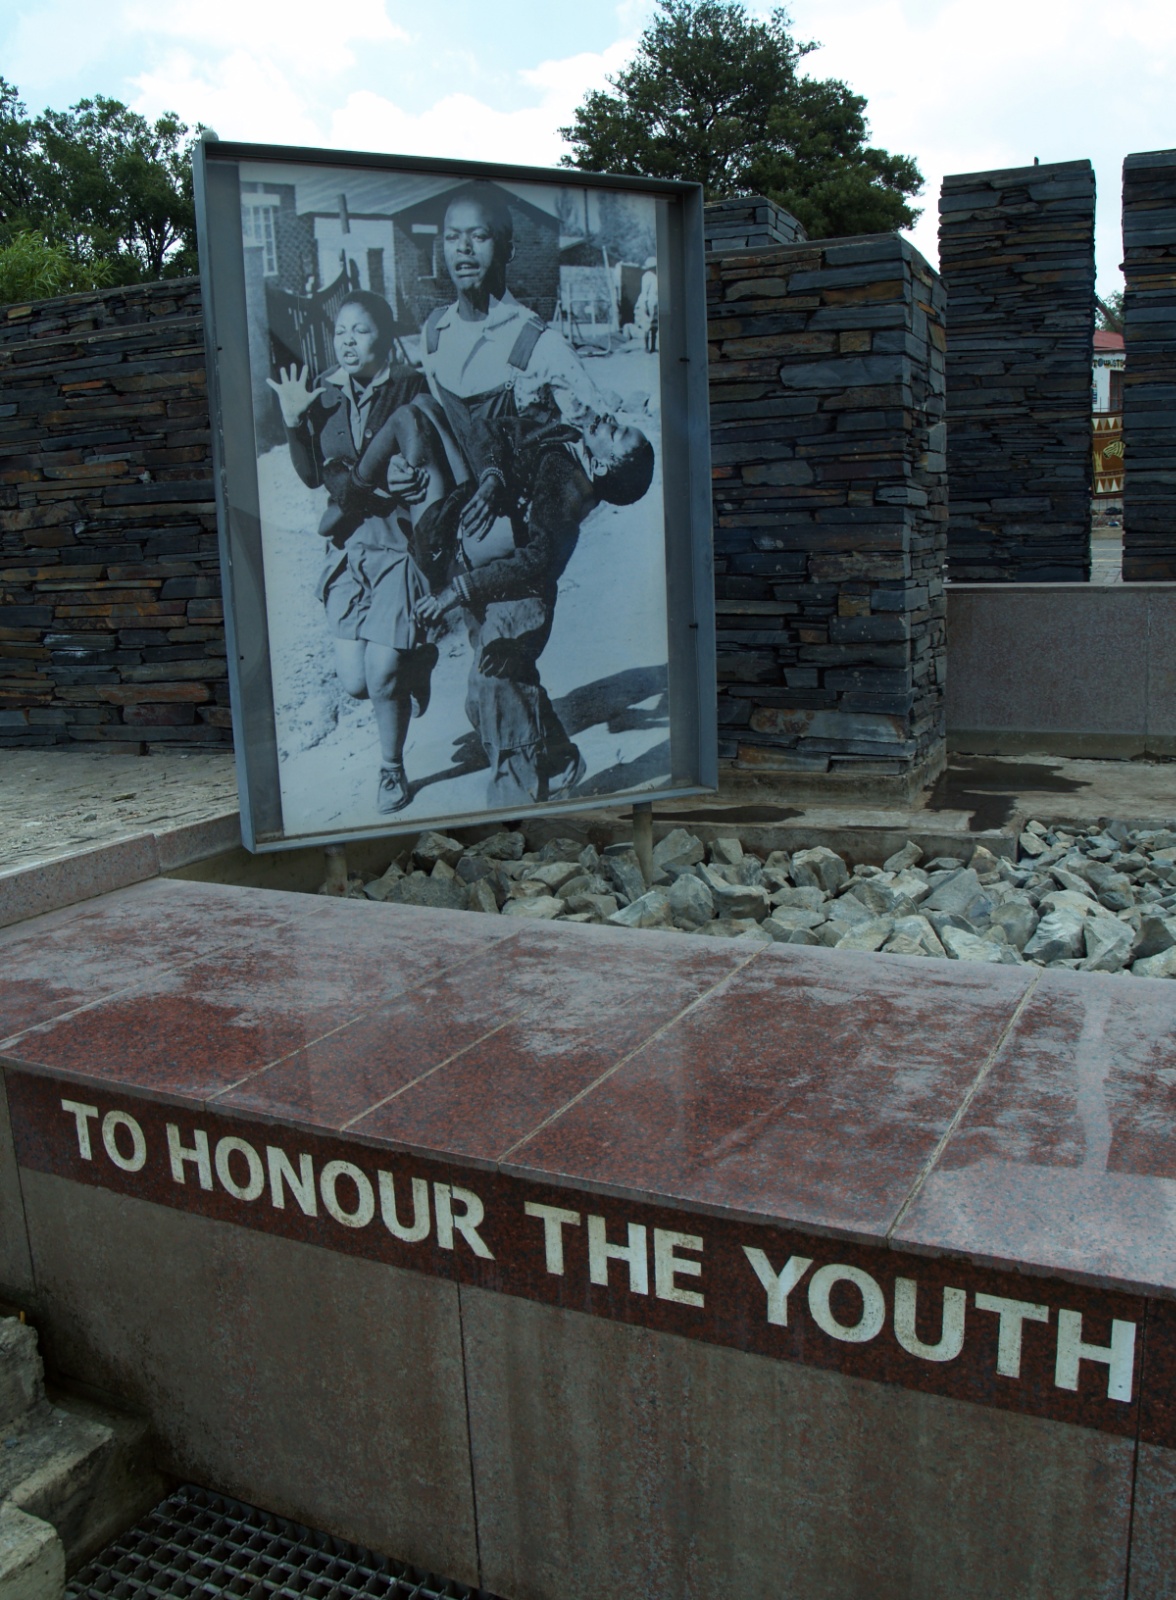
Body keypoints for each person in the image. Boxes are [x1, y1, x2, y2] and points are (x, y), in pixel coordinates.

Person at [414, 184, 654, 805]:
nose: (464, 249)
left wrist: (565, 489)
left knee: (496, 672)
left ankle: (516, 811)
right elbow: (440, 434)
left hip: (523, 540)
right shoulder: (433, 335)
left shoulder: (537, 343)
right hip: (465, 534)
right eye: (452, 235)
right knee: (489, 681)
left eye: (480, 235)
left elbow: (591, 431)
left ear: (505, 247)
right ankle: (556, 753)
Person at [267, 291, 438, 815]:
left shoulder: (410, 387)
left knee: (382, 671)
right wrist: (296, 424)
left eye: (360, 330)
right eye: (340, 330)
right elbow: (311, 475)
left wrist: (414, 475)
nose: (347, 340)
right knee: (357, 681)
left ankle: (391, 769)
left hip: (399, 545)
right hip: (347, 546)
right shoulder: (323, 393)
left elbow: (428, 462)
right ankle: (417, 664)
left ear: (383, 336)